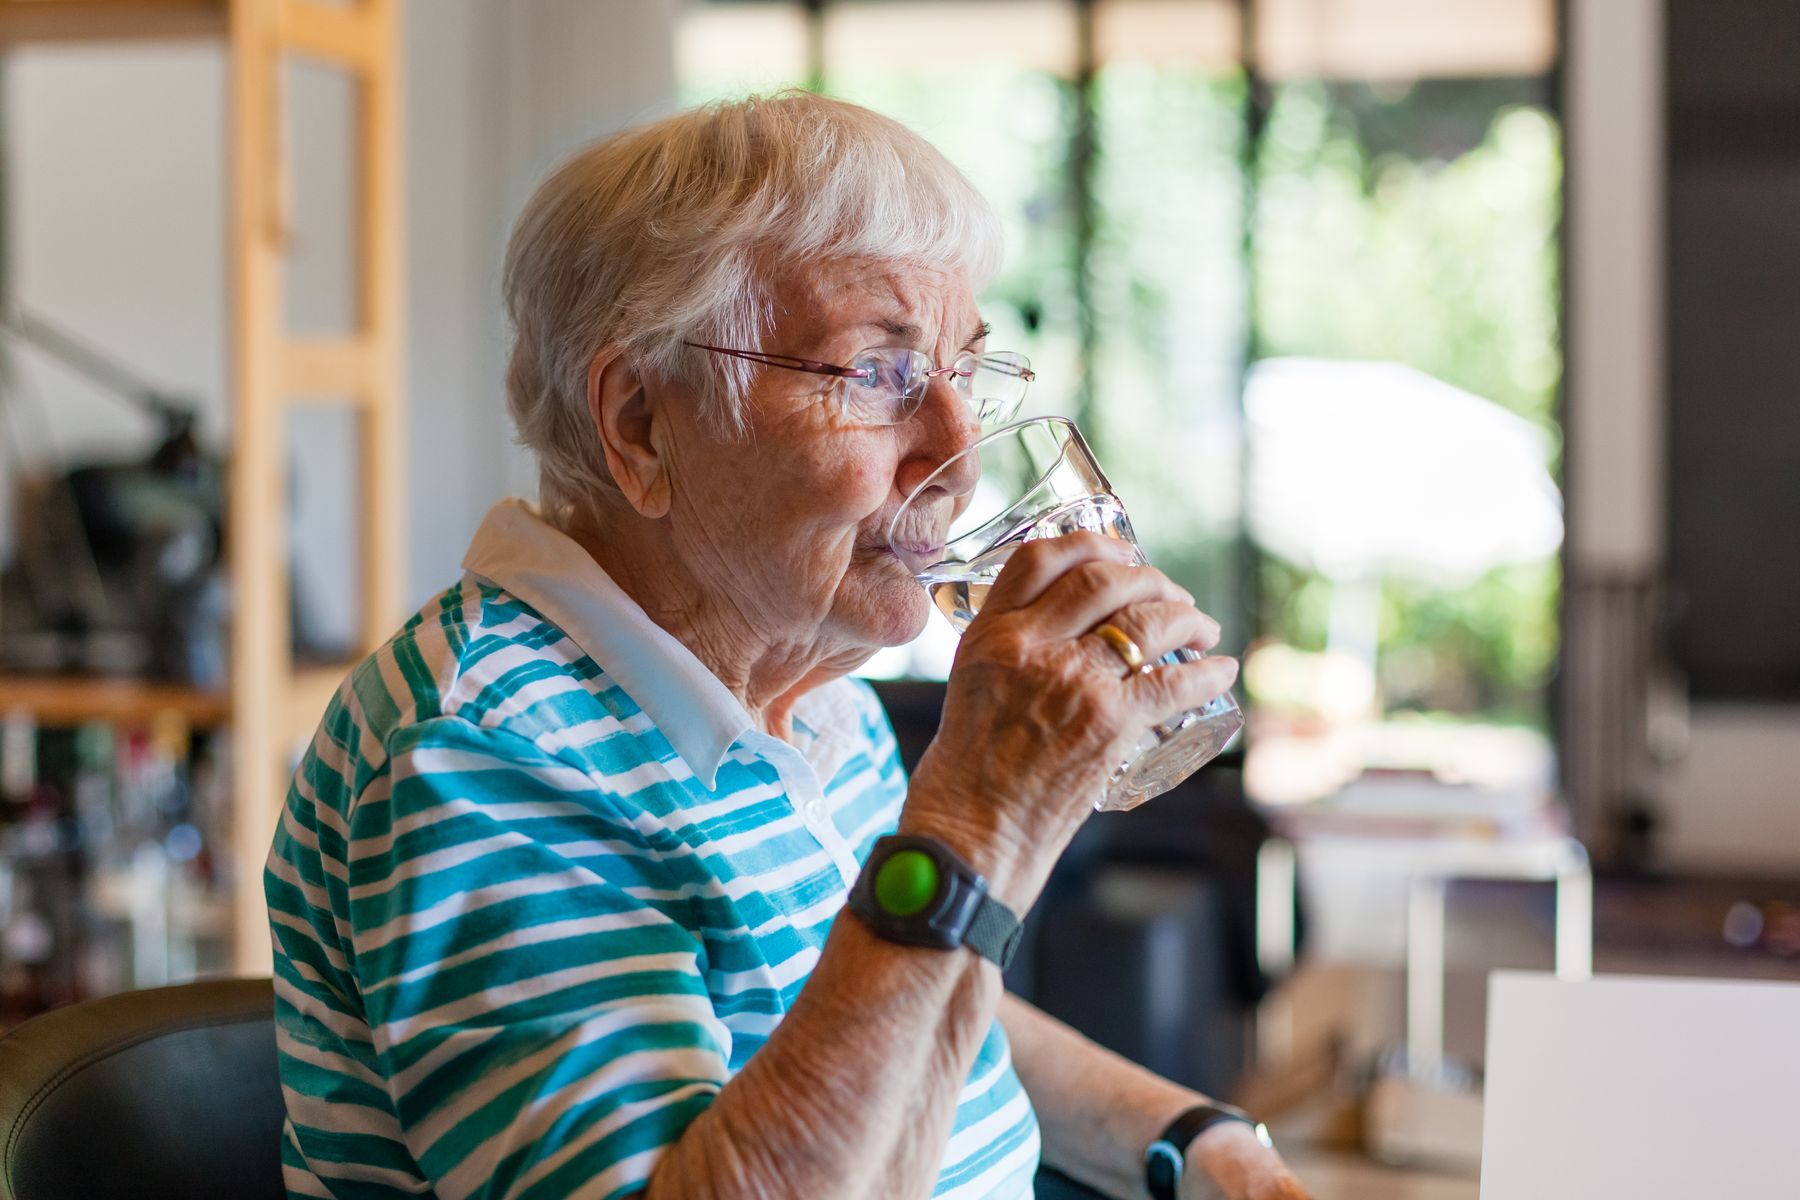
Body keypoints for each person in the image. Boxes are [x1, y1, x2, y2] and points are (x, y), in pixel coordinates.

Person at [267, 91, 1309, 1200]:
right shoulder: (483, 751)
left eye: (964, 371)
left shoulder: (812, 693)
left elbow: (907, 998)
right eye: (878, 371)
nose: (961, 455)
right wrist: (976, 824)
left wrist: (1203, 1146)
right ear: (641, 424)